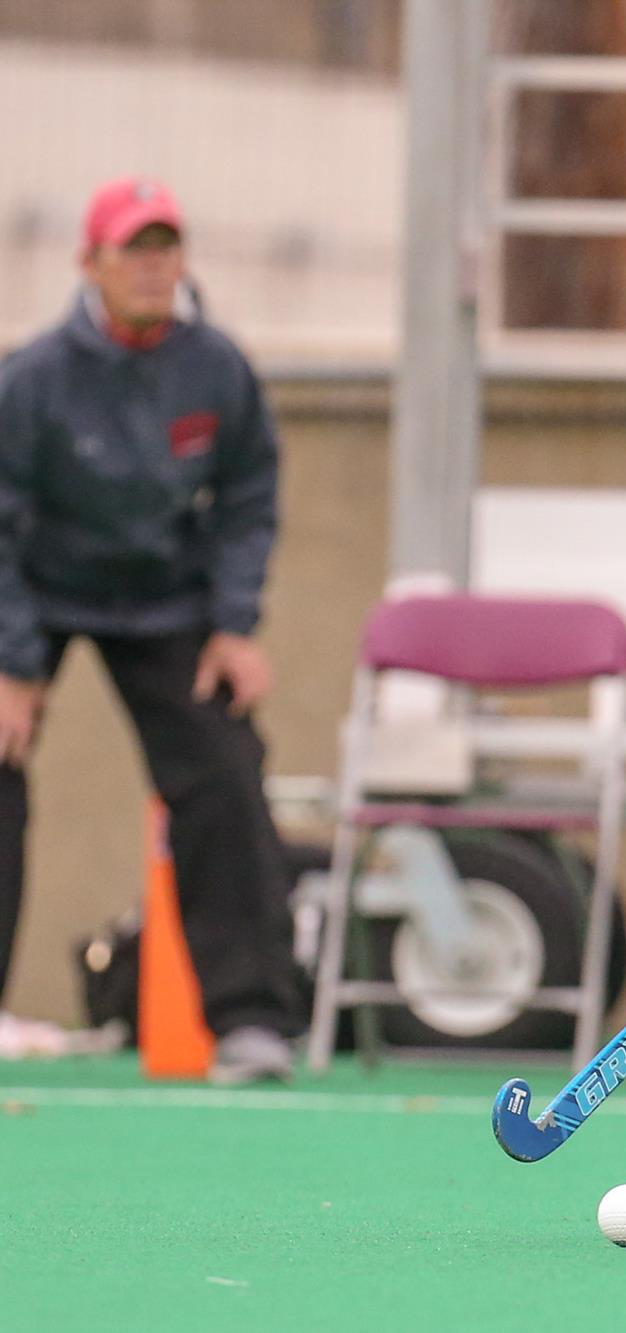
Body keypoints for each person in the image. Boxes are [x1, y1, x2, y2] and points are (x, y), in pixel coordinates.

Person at [0, 177, 303, 1084]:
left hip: (165, 602)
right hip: (38, 595)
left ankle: (252, 1022)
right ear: (89, 264)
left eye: (164, 247)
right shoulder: (31, 380)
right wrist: (12, 665)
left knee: (224, 769)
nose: (152, 265)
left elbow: (249, 499)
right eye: (132, 248)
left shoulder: (218, 368)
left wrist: (233, 626)